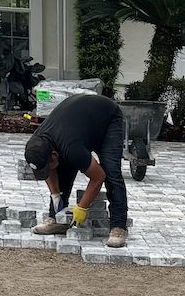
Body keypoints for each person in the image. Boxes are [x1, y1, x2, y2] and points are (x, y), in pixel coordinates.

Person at [25, 92, 128, 248]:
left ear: (53, 155)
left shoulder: (71, 148)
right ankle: (57, 221)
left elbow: (98, 177)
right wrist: (55, 196)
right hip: (80, 126)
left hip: (108, 119)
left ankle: (118, 227)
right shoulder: (38, 143)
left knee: (111, 171)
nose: (47, 171)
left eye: (47, 166)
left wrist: (82, 207)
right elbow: (49, 170)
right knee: (62, 168)